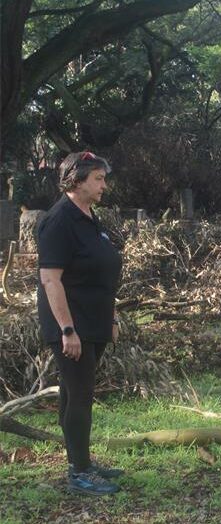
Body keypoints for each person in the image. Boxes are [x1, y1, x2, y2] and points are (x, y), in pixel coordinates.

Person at [37, 151, 123, 496]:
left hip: (94, 321)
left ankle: (81, 459)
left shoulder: (88, 216)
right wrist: (66, 330)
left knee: (74, 393)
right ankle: (80, 472)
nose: (104, 185)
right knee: (81, 396)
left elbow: (99, 271)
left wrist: (111, 316)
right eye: (98, 179)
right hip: (72, 326)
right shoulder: (58, 220)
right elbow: (51, 280)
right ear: (77, 180)